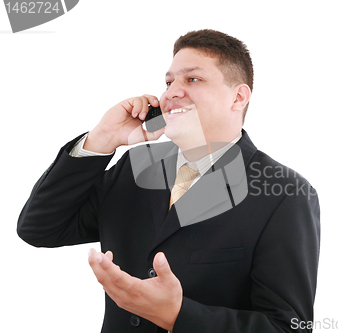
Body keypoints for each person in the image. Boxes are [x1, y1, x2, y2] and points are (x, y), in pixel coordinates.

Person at [17, 29, 320, 333]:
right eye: (169, 82)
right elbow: (40, 228)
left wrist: (178, 315)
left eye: (192, 79)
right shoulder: (135, 166)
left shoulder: (285, 193)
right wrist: (103, 139)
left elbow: (287, 327)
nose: (171, 92)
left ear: (238, 97)